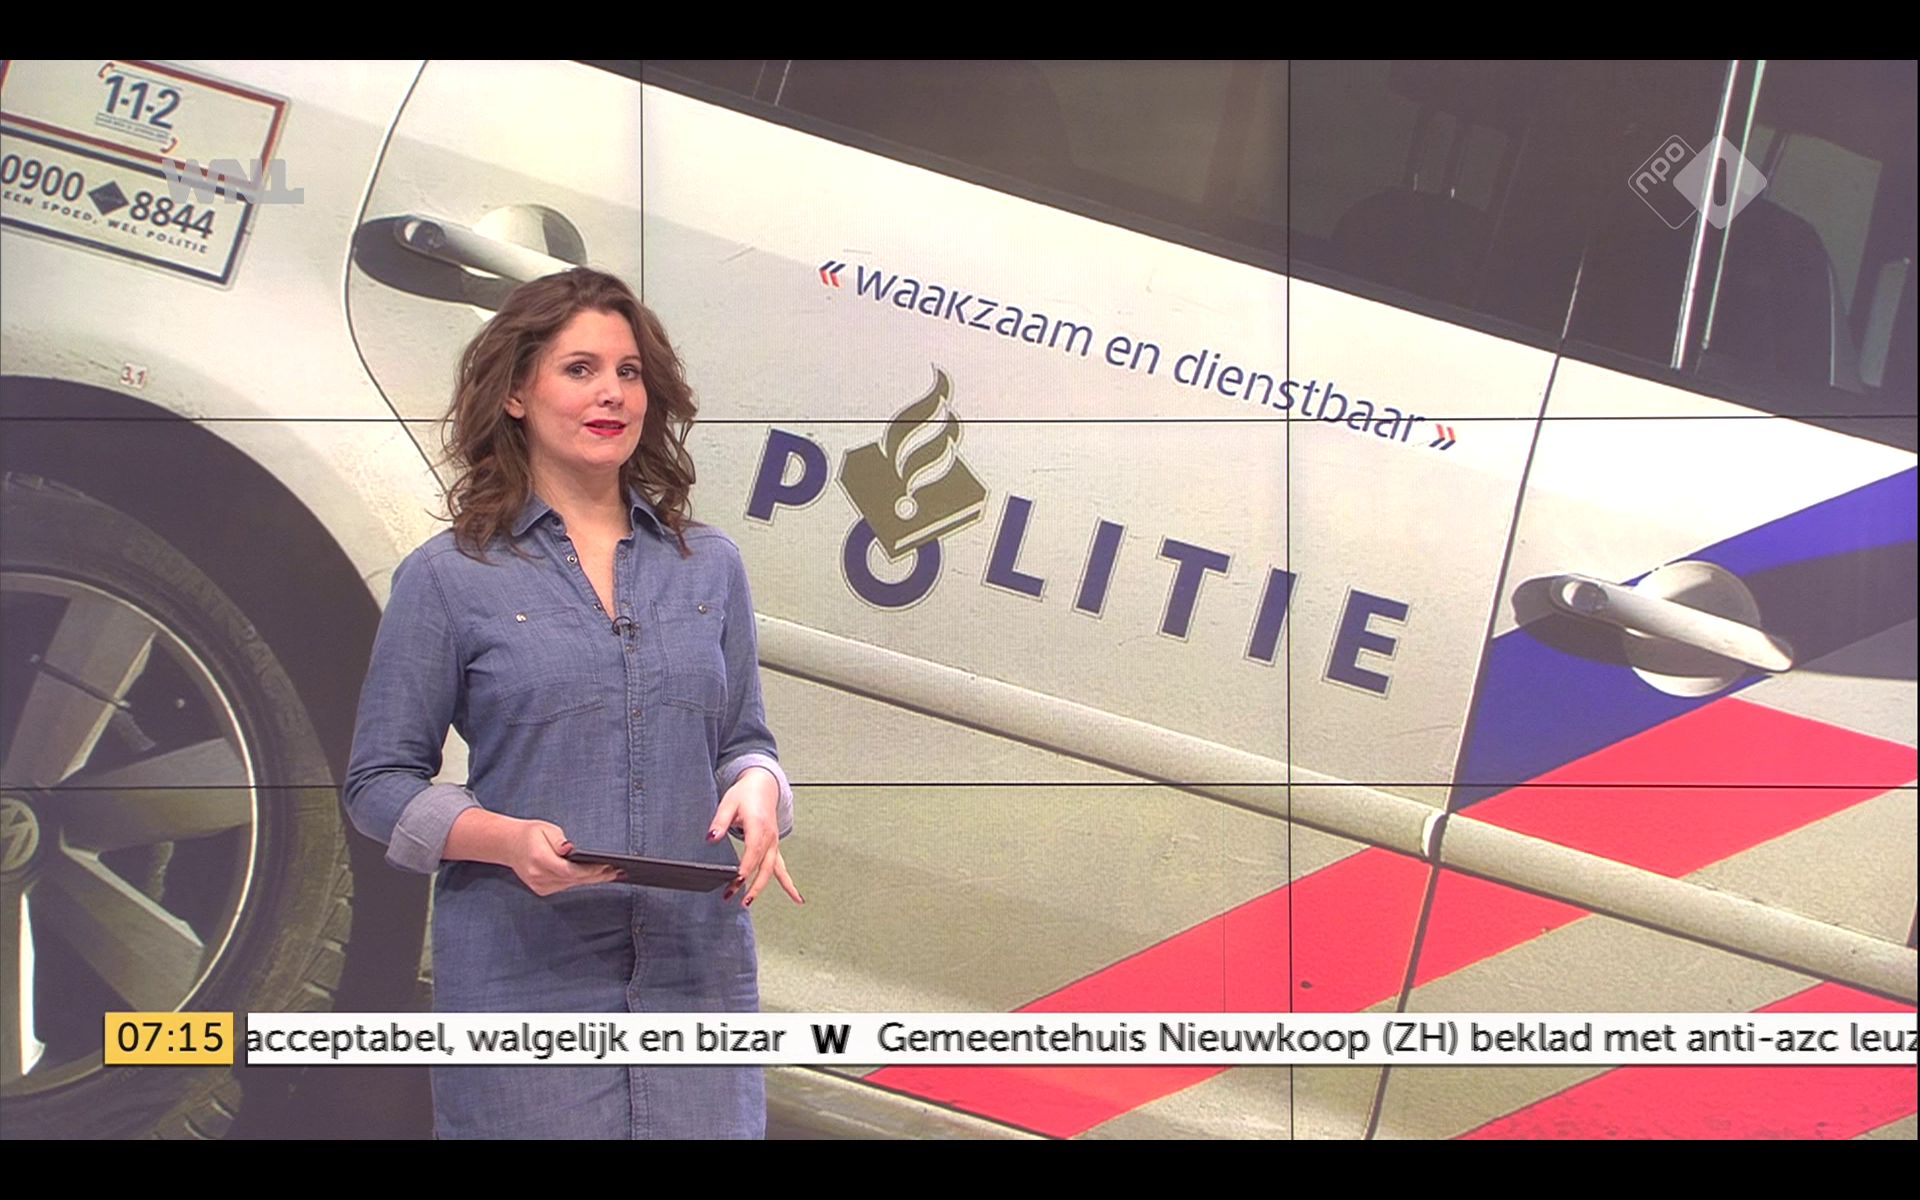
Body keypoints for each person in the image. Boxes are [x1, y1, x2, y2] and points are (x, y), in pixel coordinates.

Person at [341, 266, 801, 1139]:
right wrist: (503, 839)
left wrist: (759, 789)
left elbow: (745, 741)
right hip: (523, 974)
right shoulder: (449, 576)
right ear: (517, 393)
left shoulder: (710, 565)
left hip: (694, 978)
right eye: (580, 369)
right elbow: (379, 785)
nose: (612, 394)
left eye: (629, 373)